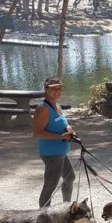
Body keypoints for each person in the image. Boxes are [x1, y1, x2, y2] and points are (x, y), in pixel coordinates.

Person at [33, 77, 75, 208]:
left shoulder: (57, 105)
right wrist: (60, 136)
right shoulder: (43, 109)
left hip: (61, 152)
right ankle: (43, 218)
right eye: (53, 88)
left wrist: (69, 129)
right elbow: (37, 133)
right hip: (51, 154)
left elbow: (61, 124)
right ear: (46, 89)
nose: (57, 91)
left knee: (69, 178)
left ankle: (66, 208)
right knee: (50, 186)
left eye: (59, 88)